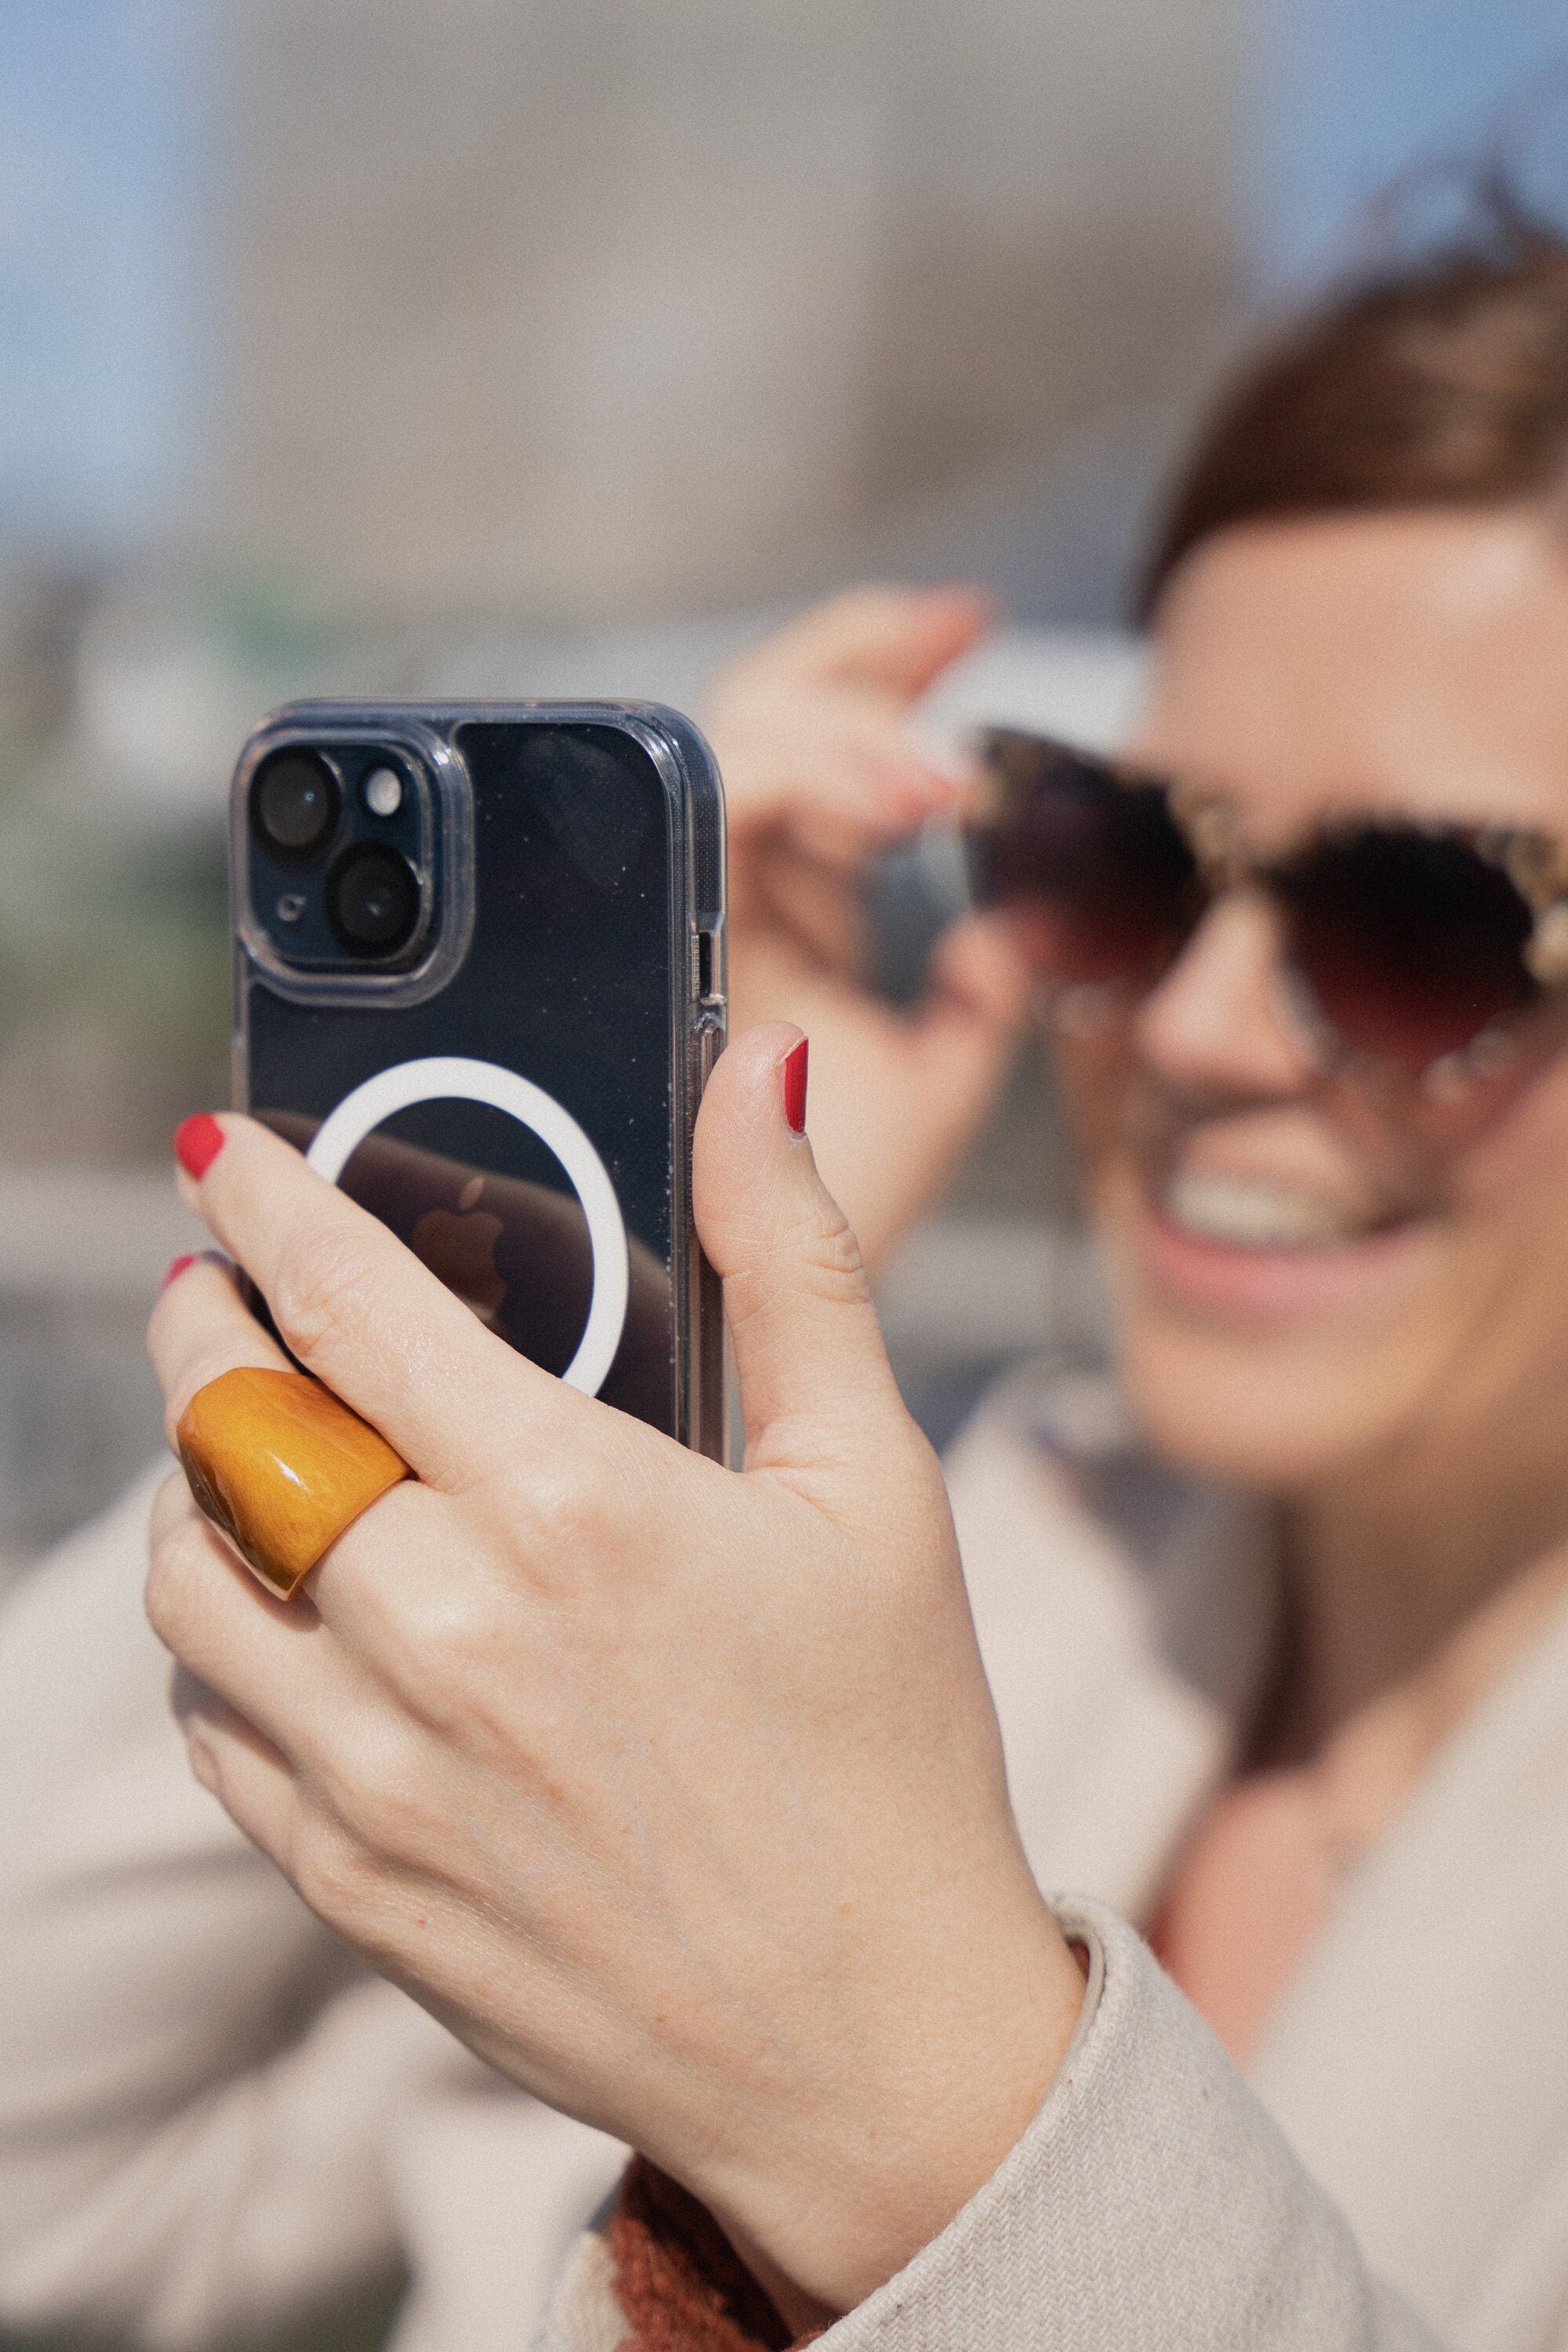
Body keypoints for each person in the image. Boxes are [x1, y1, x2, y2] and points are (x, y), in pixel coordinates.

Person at [10, 201, 1568, 2350]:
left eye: (1424, 923)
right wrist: (630, 1285)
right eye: (1132, 860)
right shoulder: (962, 1571)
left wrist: (920, 2107)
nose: (1201, 1030)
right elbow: (53, 2197)